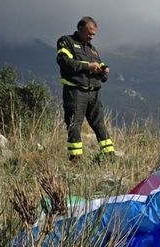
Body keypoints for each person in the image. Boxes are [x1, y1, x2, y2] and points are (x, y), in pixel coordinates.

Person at [56, 16, 115, 161]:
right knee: (74, 125)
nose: (92, 37)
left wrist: (103, 72)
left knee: (99, 124)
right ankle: (75, 160)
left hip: (94, 93)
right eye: (89, 33)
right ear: (80, 29)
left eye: (94, 34)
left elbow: (101, 71)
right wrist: (87, 66)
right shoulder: (66, 41)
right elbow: (65, 62)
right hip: (75, 92)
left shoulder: (92, 50)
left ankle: (109, 156)